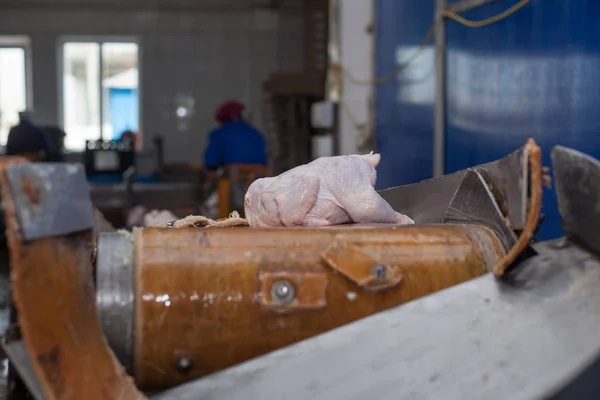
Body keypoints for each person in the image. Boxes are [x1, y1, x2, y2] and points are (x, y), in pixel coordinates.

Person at [203, 100, 268, 174]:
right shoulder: (256, 133)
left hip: (234, 178)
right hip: (259, 177)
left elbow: (211, 161)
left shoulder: (219, 134)